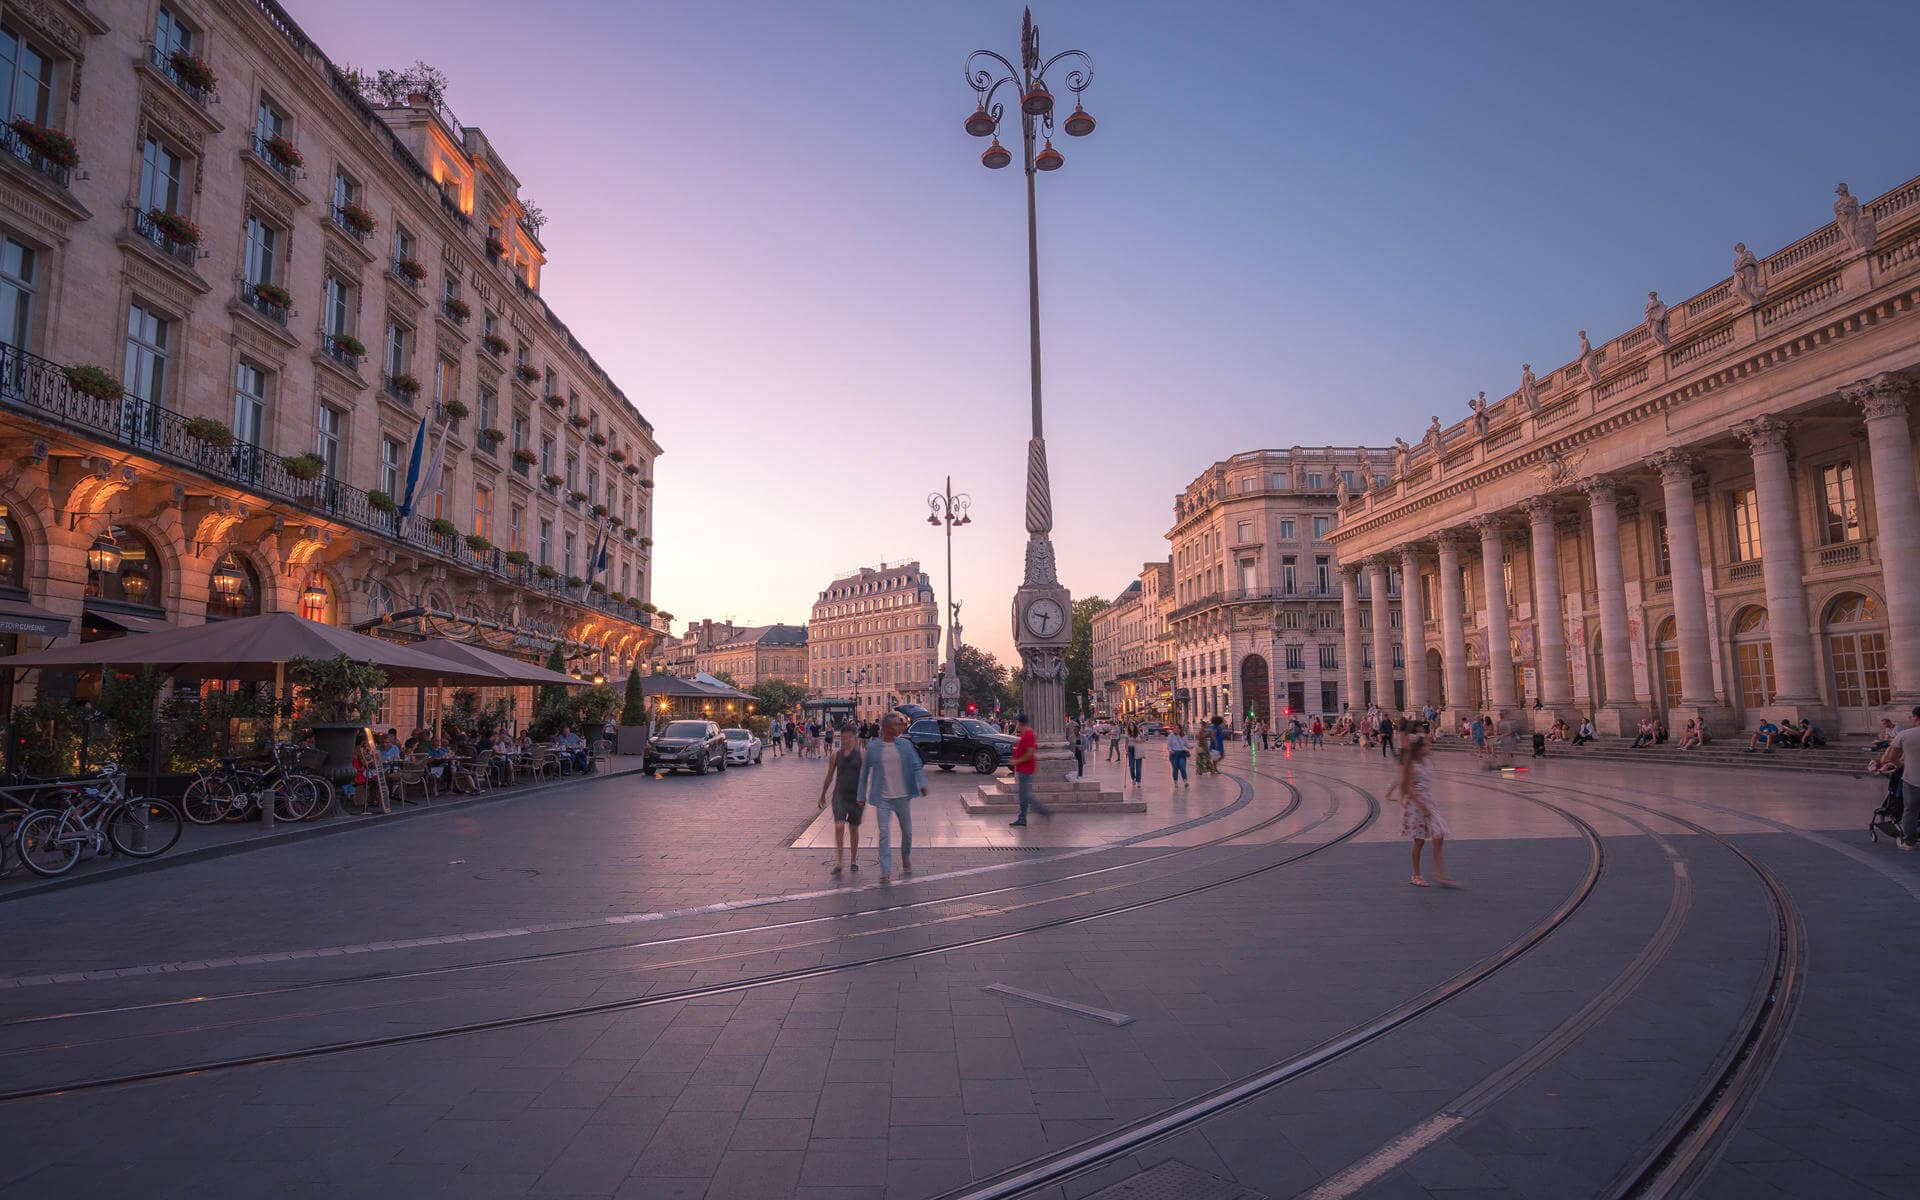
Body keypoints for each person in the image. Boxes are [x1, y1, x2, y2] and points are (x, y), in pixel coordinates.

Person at [858, 713, 927, 882]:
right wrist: (861, 795)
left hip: (902, 796)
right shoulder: (873, 747)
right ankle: (886, 870)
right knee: (883, 833)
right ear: (887, 727)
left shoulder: (905, 745)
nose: (900, 728)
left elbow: (917, 765)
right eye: (897, 725)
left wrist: (922, 782)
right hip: (883, 798)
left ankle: (905, 856)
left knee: (908, 832)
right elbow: (864, 772)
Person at [1389, 734, 1454, 887]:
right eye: (1426, 746)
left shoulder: (1427, 763)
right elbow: (1408, 787)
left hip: (1429, 801)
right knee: (1419, 841)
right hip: (1416, 805)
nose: (1429, 748)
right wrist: (1422, 806)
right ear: (1418, 750)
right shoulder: (1411, 765)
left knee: (1439, 834)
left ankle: (1440, 874)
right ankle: (1416, 875)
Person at [817, 725, 864, 875]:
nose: (846, 740)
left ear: (855, 738)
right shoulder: (835, 756)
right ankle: (839, 861)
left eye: (849, 737)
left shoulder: (862, 755)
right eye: (844, 738)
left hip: (856, 796)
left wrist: (863, 795)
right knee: (839, 826)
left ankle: (853, 860)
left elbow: (865, 777)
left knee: (854, 828)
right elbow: (829, 776)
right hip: (840, 796)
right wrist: (823, 794)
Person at [1882, 706, 1920, 851]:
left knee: (1910, 810)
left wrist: (1901, 765)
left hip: (1912, 779)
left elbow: (1891, 757)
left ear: (1916, 717)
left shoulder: (1905, 734)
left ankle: (1909, 842)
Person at [1009, 712, 1050, 826]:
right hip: (1023, 768)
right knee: (1024, 794)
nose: (1016, 724)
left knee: (1024, 795)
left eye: (1017, 722)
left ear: (1020, 723)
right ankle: (1023, 818)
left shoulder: (1028, 734)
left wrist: (1017, 761)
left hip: (1025, 769)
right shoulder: (1025, 733)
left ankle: (1042, 811)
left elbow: (1030, 752)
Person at [1124, 722, 1143, 790]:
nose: (1131, 727)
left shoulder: (1138, 733)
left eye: (1132, 725)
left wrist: (1138, 740)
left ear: (1135, 726)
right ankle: (1133, 778)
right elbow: (1126, 743)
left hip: (1137, 749)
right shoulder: (1127, 733)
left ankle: (1138, 781)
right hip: (1130, 749)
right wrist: (1126, 750)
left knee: (1138, 767)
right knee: (1131, 766)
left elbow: (1143, 741)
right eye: (1130, 725)